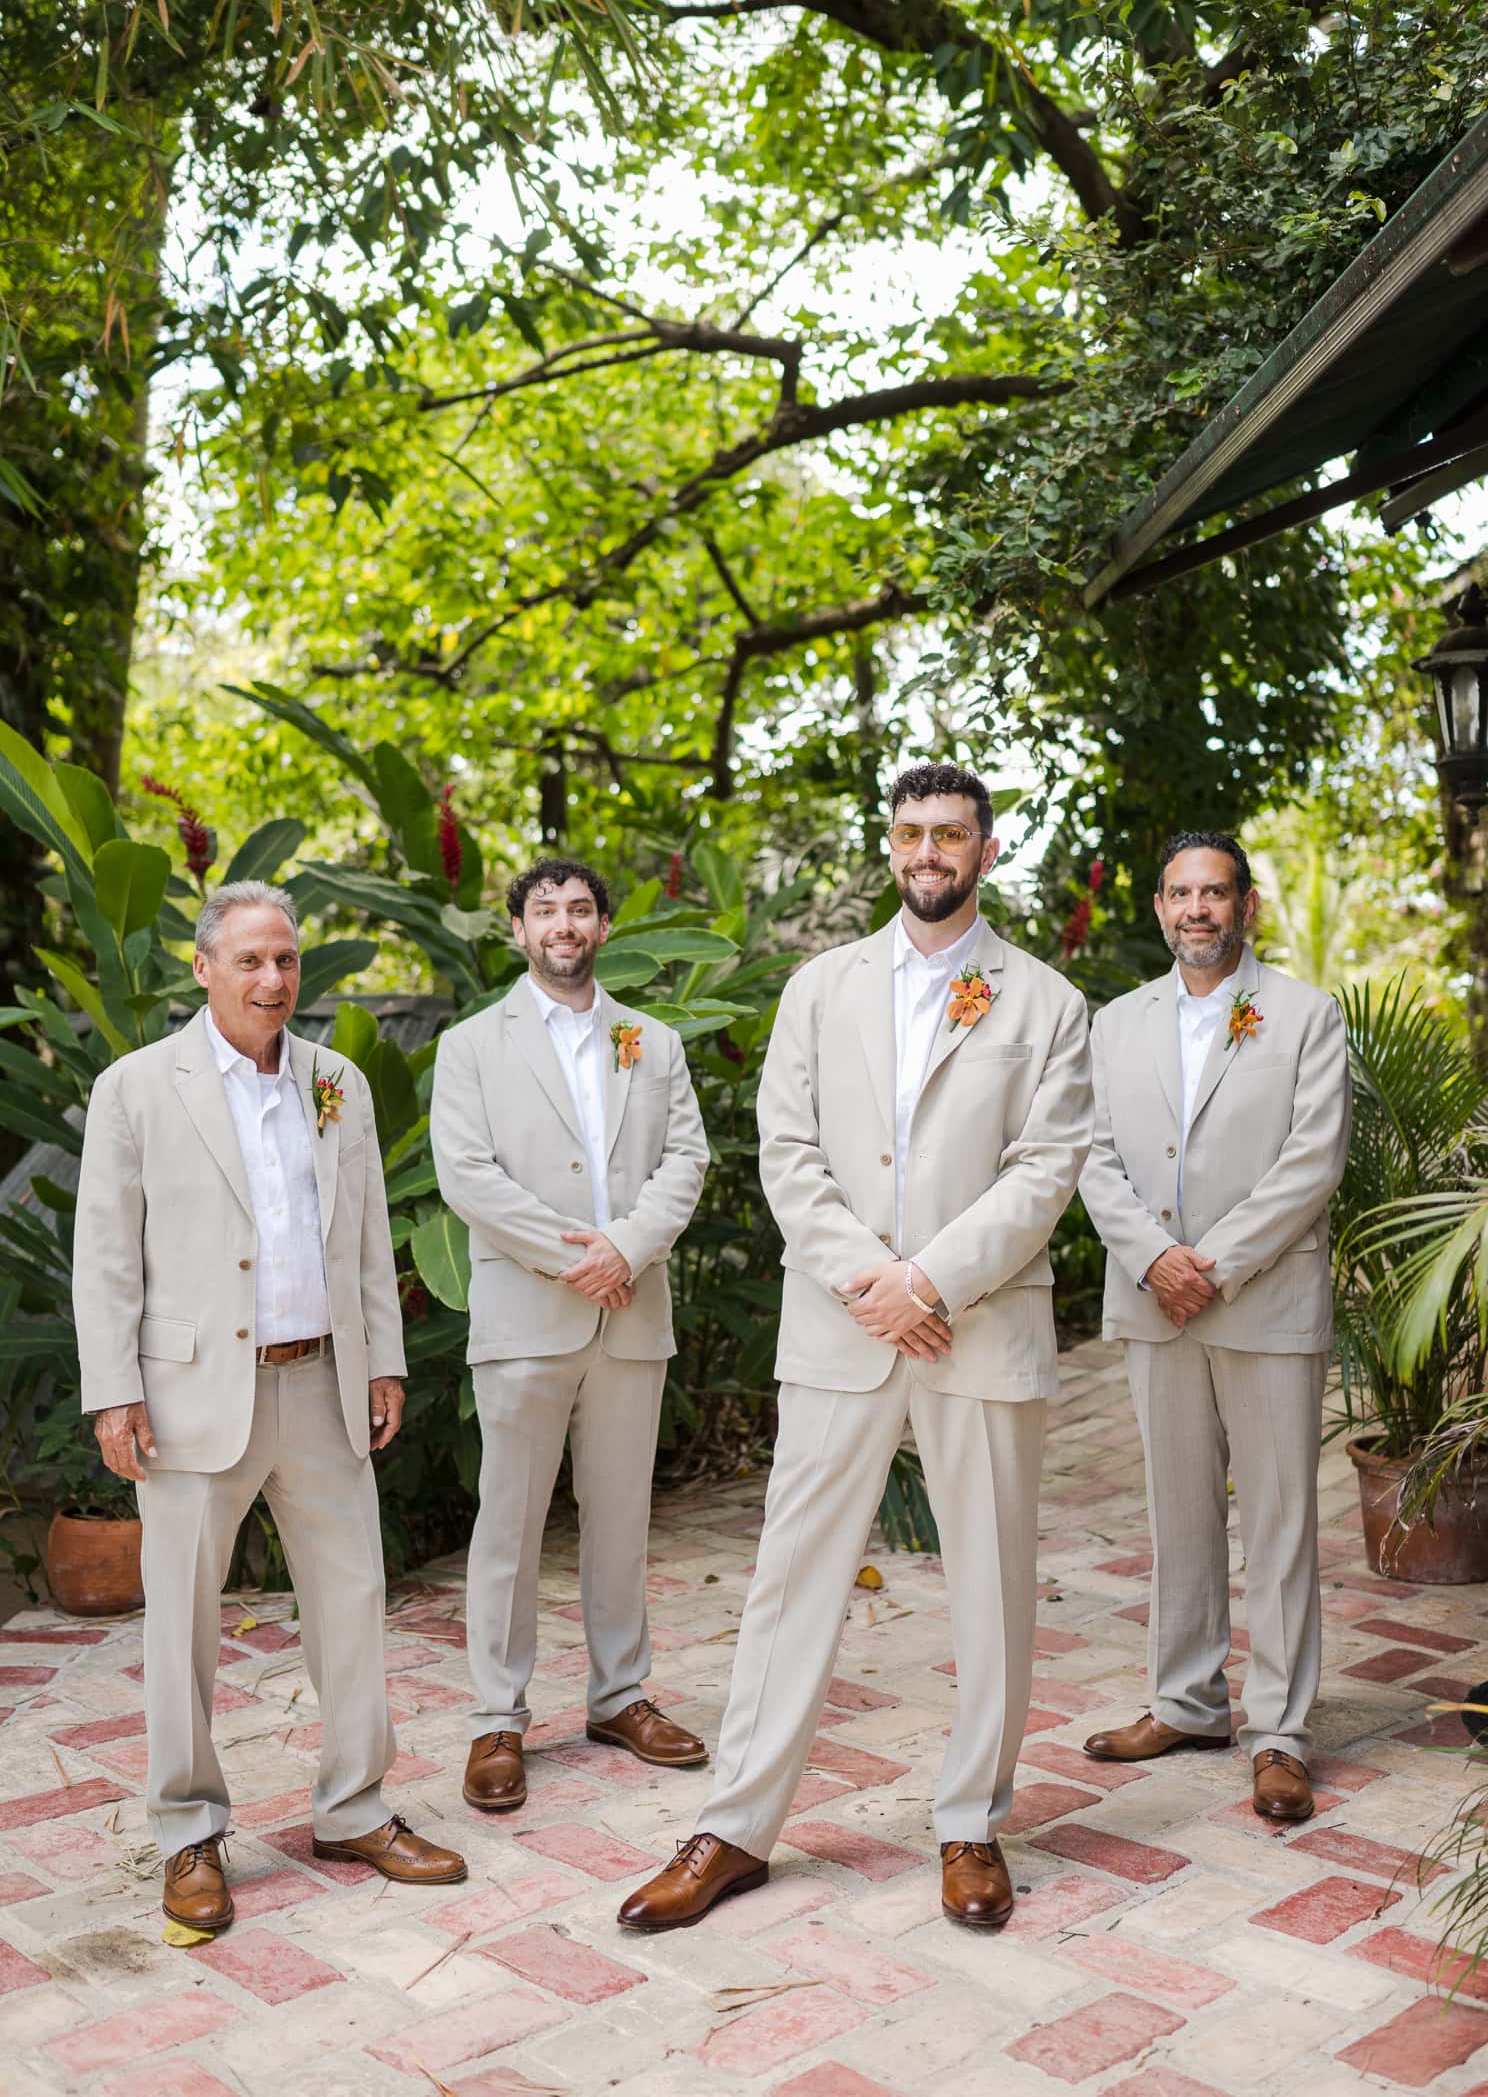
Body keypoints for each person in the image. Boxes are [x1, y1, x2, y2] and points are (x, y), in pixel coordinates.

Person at [618, 762, 1093, 1934]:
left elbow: (1045, 1172)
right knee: (792, 1578)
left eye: (950, 834)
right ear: (891, 849)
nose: (927, 851)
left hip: (976, 1323)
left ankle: (971, 1823)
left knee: (989, 1578)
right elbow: (788, 1149)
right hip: (841, 1325)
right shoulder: (820, 989)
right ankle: (734, 1827)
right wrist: (871, 1283)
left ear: (986, 850)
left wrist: (927, 1278)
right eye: (910, 833)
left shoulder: (1045, 1003)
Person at [74, 880, 465, 1935]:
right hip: (194, 1394)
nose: (273, 979)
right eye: (248, 960)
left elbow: (368, 1233)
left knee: (353, 1605)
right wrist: (114, 1392)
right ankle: (188, 1834)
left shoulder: (336, 1082)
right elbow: (106, 1255)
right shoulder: (136, 1088)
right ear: (202, 969)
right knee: (183, 1624)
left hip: (324, 1385)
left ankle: (353, 1808)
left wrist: (381, 1358)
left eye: (285, 960)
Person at [1079, 830, 1351, 1821]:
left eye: (1217, 893)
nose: (1198, 909)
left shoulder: (1305, 1015)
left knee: (1277, 1520)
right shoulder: (1114, 1024)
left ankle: (1279, 1730)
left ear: (1247, 908)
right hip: (1156, 1301)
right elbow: (1089, 1153)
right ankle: (1188, 1702)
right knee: (1179, 1511)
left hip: (1265, 1301)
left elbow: (1311, 1163)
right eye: (1181, 894)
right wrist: (1154, 1259)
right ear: (1159, 908)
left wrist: (1215, 1264)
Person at [431, 857, 710, 1813]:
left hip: (632, 1315)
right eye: (545, 910)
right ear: (518, 930)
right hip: (524, 1323)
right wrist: (574, 1258)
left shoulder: (652, 1041)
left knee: (623, 1516)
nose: (564, 924)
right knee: (506, 1525)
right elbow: (467, 1175)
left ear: (600, 928)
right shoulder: (472, 1046)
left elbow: (686, 1158)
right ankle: (496, 1718)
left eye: (581, 909)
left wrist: (625, 1250)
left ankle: (620, 1695)